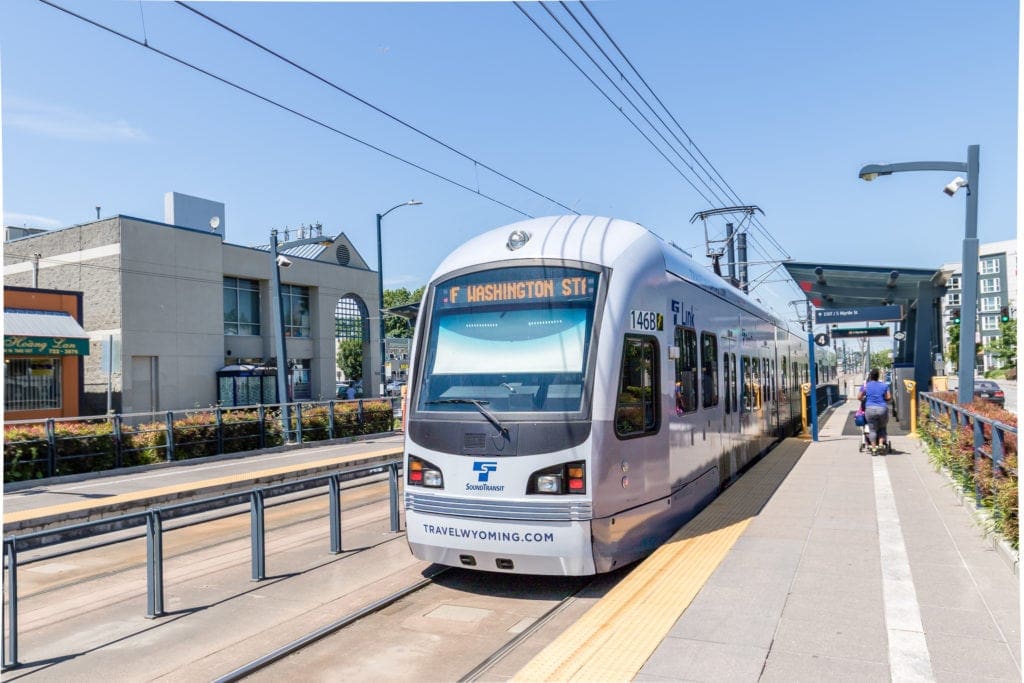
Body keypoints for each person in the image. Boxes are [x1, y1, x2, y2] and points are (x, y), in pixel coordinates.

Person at [858, 368, 891, 455]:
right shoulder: (884, 385)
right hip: (882, 409)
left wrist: (865, 399)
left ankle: (873, 448)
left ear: (870, 376)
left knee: (872, 430)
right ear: (878, 376)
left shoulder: (865, 386)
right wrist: (882, 398)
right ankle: (880, 444)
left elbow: (859, 397)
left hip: (869, 409)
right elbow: (888, 397)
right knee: (882, 427)